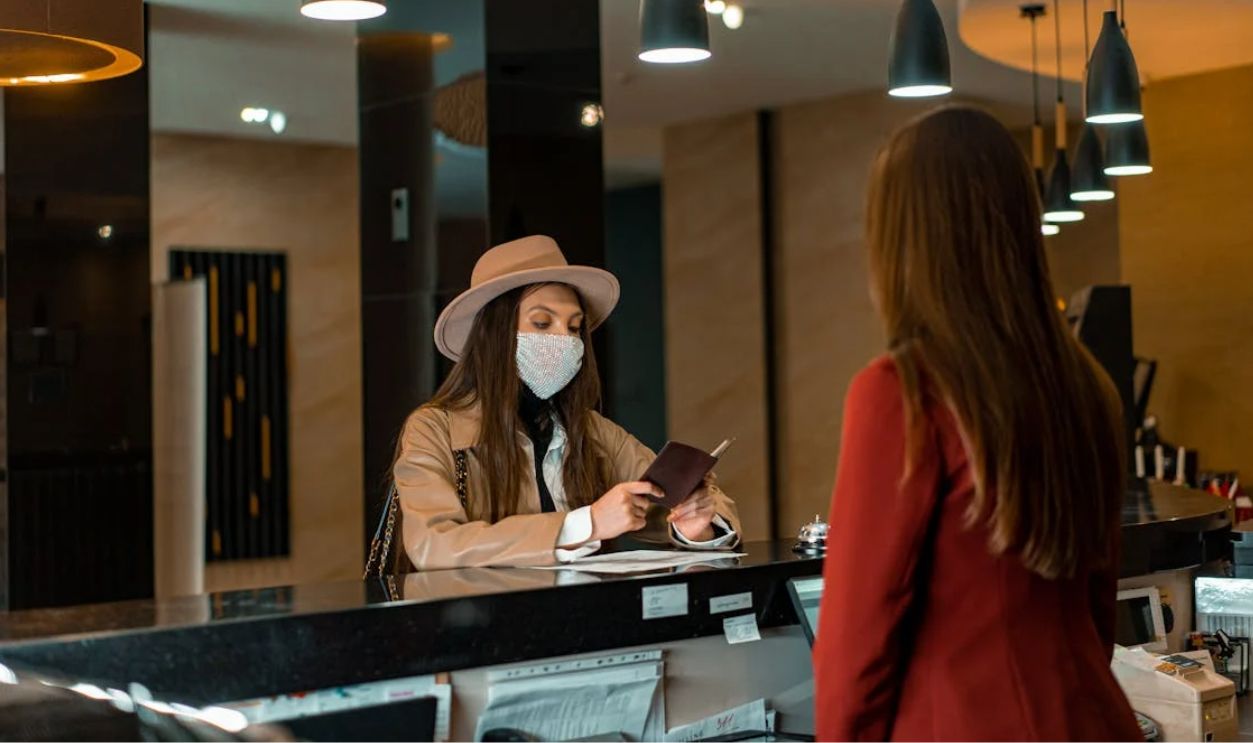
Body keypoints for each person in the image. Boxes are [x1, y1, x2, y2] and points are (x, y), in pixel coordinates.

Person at [813, 107, 1140, 741]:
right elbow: (1100, 613)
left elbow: (857, 642)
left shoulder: (901, 392)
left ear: (901, 239)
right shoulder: (1088, 386)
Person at [394, 235, 740, 570]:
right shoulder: (434, 429)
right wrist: (585, 524)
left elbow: (669, 498)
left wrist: (695, 527)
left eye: (575, 328)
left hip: (577, 618)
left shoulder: (590, 429)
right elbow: (433, 544)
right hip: (483, 622)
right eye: (542, 322)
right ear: (493, 335)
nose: (564, 338)